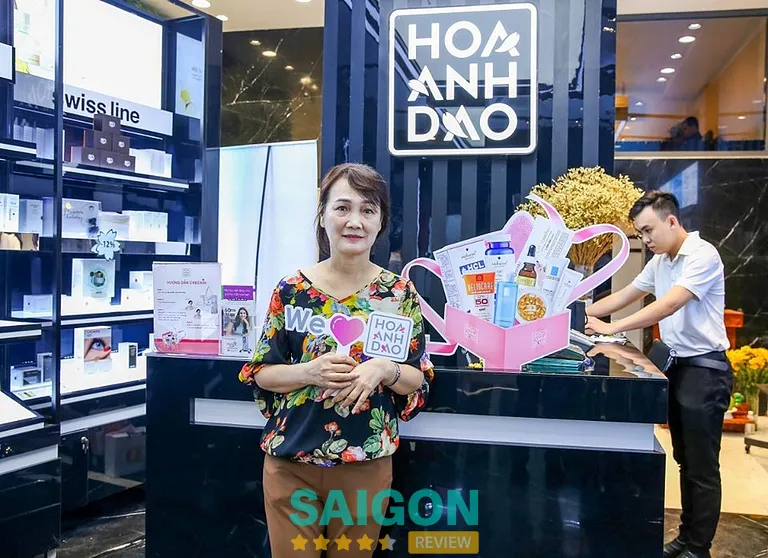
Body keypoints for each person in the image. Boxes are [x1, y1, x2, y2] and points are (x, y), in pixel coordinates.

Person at [239, 162, 434, 557]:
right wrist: (308, 372)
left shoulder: (398, 293)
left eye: (368, 210)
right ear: (323, 215)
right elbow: (260, 373)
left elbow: (418, 377)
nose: (354, 221)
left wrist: (384, 369)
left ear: (381, 222)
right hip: (291, 463)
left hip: (366, 464)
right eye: (342, 208)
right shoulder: (292, 290)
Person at [585, 190, 732, 558]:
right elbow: (624, 295)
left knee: (701, 467)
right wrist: (576, 311)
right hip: (677, 369)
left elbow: (668, 305)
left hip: (705, 370)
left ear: (671, 220)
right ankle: (685, 538)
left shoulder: (702, 255)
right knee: (684, 460)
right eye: (640, 233)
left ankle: (698, 547)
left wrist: (611, 327)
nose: (645, 240)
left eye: (648, 230)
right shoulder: (661, 262)